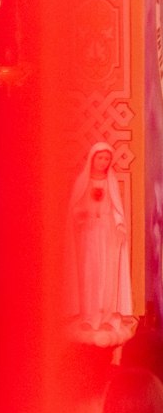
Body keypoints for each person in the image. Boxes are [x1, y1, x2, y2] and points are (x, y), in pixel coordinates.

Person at [65, 141, 135, 342]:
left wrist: (120, 225)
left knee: (107, 274)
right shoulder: (82, 181)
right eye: (100, 158)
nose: (103, 162)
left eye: (106, 159)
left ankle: (106, 317)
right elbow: (74, 210)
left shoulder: (110, 182)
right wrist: (83, 214)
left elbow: (116, 209)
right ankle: (88, 317)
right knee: (89, 274)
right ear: (93, 158)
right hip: (88, 236)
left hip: (107, 236)